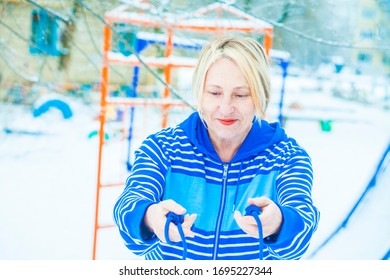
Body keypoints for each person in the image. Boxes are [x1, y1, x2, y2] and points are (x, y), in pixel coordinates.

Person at [113, 35, 320, 260]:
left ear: (261, 95)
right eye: (214, 93)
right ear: (200, 93)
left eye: (241, 94)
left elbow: (301, 233)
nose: (225, 107)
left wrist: (279, 222)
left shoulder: (287, 158)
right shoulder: (162, 149)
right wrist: (149, 217)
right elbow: (128, 205)